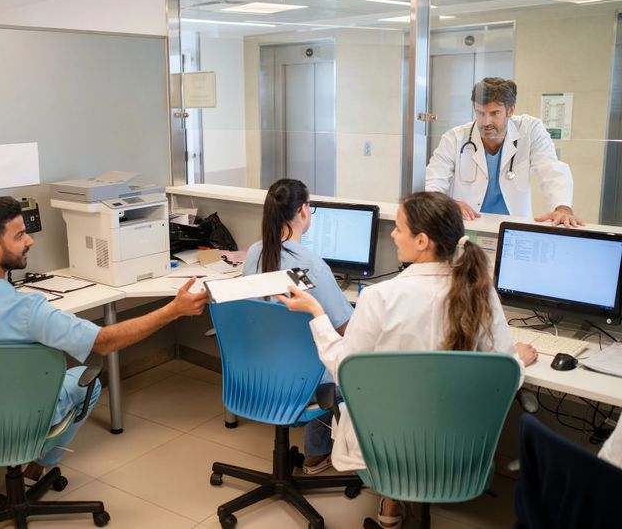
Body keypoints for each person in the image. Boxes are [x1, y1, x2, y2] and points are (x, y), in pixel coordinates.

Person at [0, 196, 208, 510]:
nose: (30, 240)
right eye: (19, 235)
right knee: (88, 381)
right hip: (24, 422)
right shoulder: (28, 308)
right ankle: (36, 469)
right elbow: (103, 342)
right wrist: (173, 310)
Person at [276, 191, 538, 528]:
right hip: (459, 453)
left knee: (397, 407)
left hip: (387, 450)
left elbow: (345, 371)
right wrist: (519, 359)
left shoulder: (380, 297)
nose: (392, 234)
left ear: (423, 241)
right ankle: (395, 503)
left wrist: (316, 313)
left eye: (399, 228)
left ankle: (391, 500)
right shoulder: (482, 294)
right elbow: (506, 372)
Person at [243, 179, 353, 475]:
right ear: (304, 211)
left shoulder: (254, 253)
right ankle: (317, 456)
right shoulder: (311, 265)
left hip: (257, 370)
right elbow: (345, 327)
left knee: (307, 350)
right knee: (339, 360)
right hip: (301, 381)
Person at [426, 77, 584, 227]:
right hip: (468, 225)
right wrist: (447, 204)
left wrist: (562, 208)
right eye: (480, 113)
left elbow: (551, 169)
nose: (486, 122)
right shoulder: (455, 138)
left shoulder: (530, 130)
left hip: (513, 227)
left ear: (510, 110)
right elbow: (433, 180)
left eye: (495, 113)